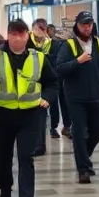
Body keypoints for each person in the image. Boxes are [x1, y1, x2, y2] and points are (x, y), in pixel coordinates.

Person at [0, 19, 58, 197]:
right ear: (8, 36)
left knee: (26, 159)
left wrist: (47, 97)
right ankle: (5, 189)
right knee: (3, 159)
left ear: (27, 36)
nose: (18, 38)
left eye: (22, 34)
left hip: (29, 116)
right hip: (1, 116)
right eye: (14, 34)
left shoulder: (38, 57)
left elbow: (52, 82)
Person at [54, 10, 99, 184]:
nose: (87, 28)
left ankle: (84, 157)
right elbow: (59, 69)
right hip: (76, 98)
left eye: (89, 24)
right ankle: (83, 169)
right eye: (83, 25)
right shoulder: (69, 45)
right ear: (77, 26)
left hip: (97, 96)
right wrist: (77, 61)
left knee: (98, 130)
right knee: (79, 132)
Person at [29, 18, 59, 156]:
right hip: (29, 83)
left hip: (45, 83)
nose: (41, 30)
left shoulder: (53, 43)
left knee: (41, 114)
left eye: (43, 28)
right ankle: (32, 143)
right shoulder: (27, 42)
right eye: (38, 27)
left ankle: (40, 145)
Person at [48, 23, 72, 139]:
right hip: (53, 77)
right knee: (55, 104)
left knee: (63, 102)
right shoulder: (49, 44)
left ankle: (65, 126)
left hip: (62, 77)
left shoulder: (66, 44)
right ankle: (55, 127)